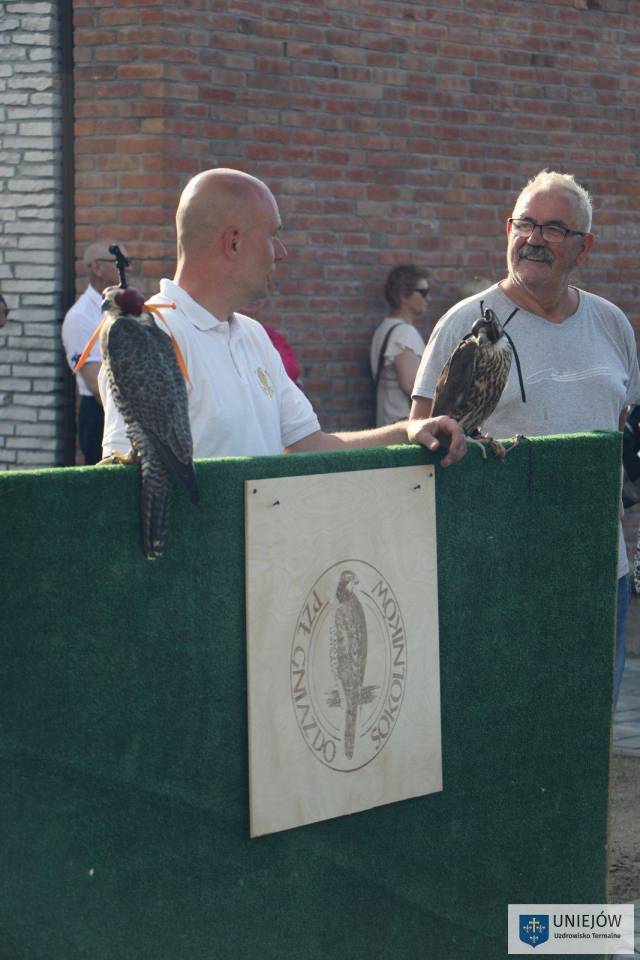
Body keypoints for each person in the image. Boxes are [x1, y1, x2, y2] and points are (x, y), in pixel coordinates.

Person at [410, 169, 640, 704]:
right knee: (501, 725)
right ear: (507, 230)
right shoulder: (464, 324)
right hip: (498, 569)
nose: (535, 239)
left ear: (584, 246)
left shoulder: (611, 325)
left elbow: (619, 432)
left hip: (597, 569)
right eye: (526, 224)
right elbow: (419, 435)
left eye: (554, 229)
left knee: (589, 728)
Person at [100, 168, 466, 468]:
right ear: (233, 242)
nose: (282, 252)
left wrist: (407, 431)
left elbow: (309, 446)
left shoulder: (253, 335)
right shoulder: (149, 338)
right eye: (273, 236)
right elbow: (129, 477)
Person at [62, 242, 130, 465]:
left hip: (132, 411)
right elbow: (95, 383)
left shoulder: (132, 308)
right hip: (101, 413)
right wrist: (131, 422)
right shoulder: (80, 316)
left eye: (127, 262)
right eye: (119, 262)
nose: (127, 268)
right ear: (97, 268)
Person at [370, 265, 430, 426]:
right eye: (423, 292)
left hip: (389, 423)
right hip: (403, 425)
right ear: (403, 295)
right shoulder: (404, 333)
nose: (428, 298)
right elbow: (412, 386)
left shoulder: (385, 328)